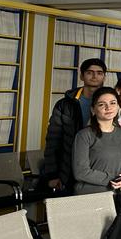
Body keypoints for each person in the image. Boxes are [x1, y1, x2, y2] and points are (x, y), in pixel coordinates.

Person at [72, 86, 121, 195]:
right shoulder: (84, 135)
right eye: (101, 104)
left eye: (113, 103)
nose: (108, 107)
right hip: (92, 195)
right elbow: (81, 172)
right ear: (93, 110)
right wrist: (117, 179)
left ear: (119, 106)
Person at [43, 57, 106, 192]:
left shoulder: (111, 103)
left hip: (100, 167)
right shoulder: (65, 104)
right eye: (89, 72)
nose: (94, 76)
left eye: (99, 73)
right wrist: (52, 174)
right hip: (69, 168)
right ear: (82, 76)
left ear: (104, 77)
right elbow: (53, 141)